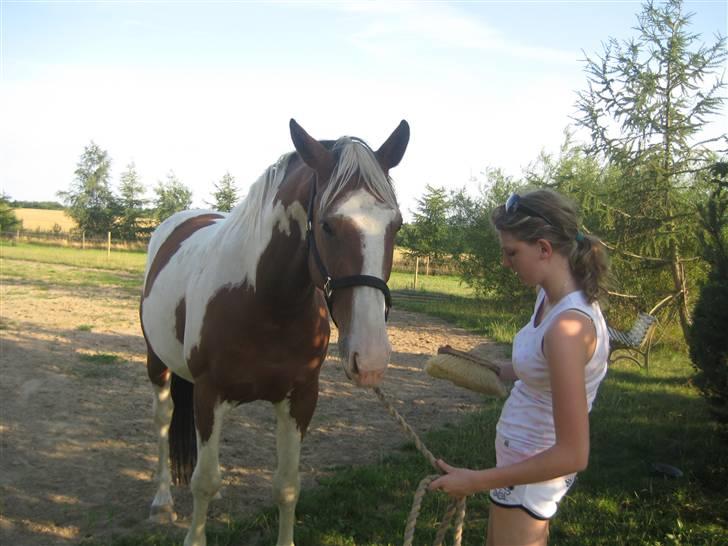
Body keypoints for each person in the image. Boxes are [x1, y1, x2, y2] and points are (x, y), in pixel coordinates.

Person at [429, 189, 610, 546]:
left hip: (530, 477)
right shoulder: (548, 297)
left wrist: (476, 480)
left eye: (512, 252)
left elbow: (574, 453)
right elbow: (540, 368)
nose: (505, 263)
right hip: (517, 467)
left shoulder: (567, 329)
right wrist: (483, 366)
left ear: (544, 249)